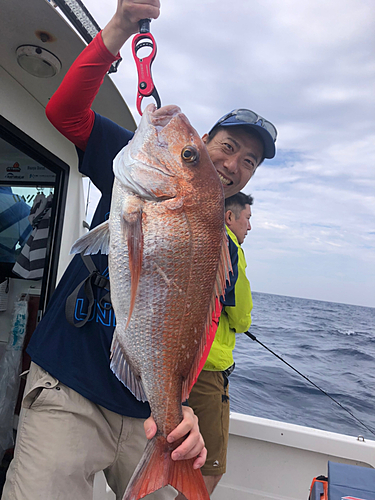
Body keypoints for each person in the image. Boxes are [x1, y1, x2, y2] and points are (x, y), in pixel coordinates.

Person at [3, 1, 277, 499]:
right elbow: (63, 112)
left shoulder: (228, 253)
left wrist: (183, 411)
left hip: (149, 413)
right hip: (70, 386)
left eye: (250, 161)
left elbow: (197, 338)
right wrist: (121, 27)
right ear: (206, 142)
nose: (235, 163)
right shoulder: (133, 164)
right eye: (225, 146)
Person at [176, 192, 254, 499]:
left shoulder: (196, 240)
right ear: (229, 217)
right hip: (208, 374)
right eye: (247, 218)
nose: (250, 227)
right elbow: (241, 315)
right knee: (208, 469)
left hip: (182, 365)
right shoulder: (230, 248)